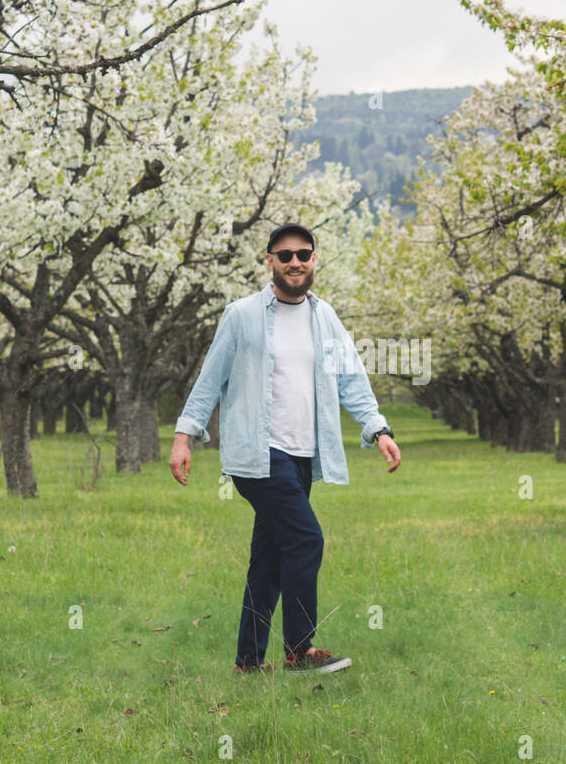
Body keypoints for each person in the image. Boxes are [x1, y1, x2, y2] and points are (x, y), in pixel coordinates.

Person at [169, 223, 401, 674]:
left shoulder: (325, 317)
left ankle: (247, 663)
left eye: (304, 254)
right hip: (257, 454)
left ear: (314, 259)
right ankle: (299, 648)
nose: (295, 262)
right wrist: (184, 436)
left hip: (301, 457)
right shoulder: (241, 315)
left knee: (270, 560)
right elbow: (210, 378)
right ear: (270, 260)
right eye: (285, 254)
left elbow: (351, 378)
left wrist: (379, 429)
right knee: (305, 538)